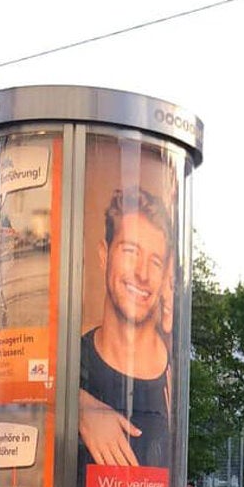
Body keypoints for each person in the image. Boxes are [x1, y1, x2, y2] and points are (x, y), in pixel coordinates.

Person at [78, 187, 173, 468]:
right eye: (131, 251)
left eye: (155, 262)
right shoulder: (70, 365)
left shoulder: (174, 375)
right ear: (104, 255)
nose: (142, 274)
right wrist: (76, 407)